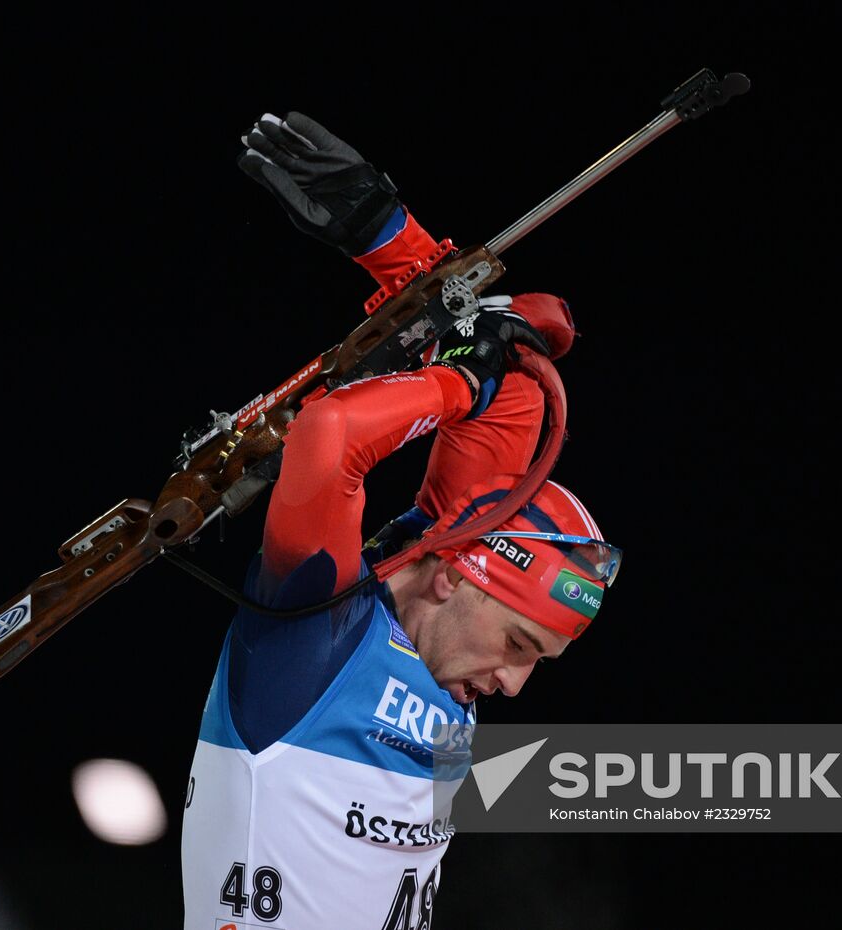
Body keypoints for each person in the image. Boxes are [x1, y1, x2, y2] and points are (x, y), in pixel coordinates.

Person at [180, 112, 621, 928]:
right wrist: (457, 372)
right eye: (523, 645)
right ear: (457, 576)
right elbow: (331, 434)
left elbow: (504, 416)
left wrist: (414, 271)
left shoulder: (443, 640)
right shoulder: (310, 636)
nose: (513, 685)